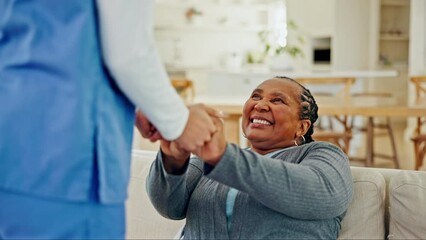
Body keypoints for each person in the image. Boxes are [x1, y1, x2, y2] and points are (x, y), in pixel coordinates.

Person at [0, 0, 218, 238]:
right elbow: (128, 53)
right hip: (68, 158)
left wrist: (133, 100)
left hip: (14, 141)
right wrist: (180, 122)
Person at [145, 76, 354, 239]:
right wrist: (173, 156)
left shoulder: (322, 154)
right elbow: (169, 207)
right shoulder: (210, 159)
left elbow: (321, 195)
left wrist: (223, 156)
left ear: (302, 126)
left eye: (277, 100)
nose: (261, 105)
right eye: (255, 96)